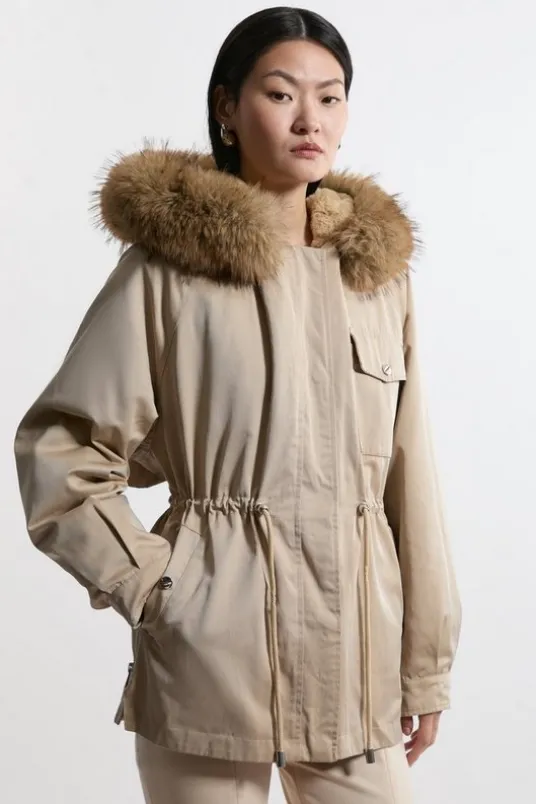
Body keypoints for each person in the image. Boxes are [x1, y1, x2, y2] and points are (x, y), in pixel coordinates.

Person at [13, 6, 462, 804]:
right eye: (281, 94)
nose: (309, 119)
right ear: (227, 108)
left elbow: (408, 478)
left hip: (355, 666)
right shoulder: (168, 274)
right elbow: (62, 449)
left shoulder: (374, 278)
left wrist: (425, 666)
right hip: (210, 668)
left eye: (330, 96)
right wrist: (158, 590)